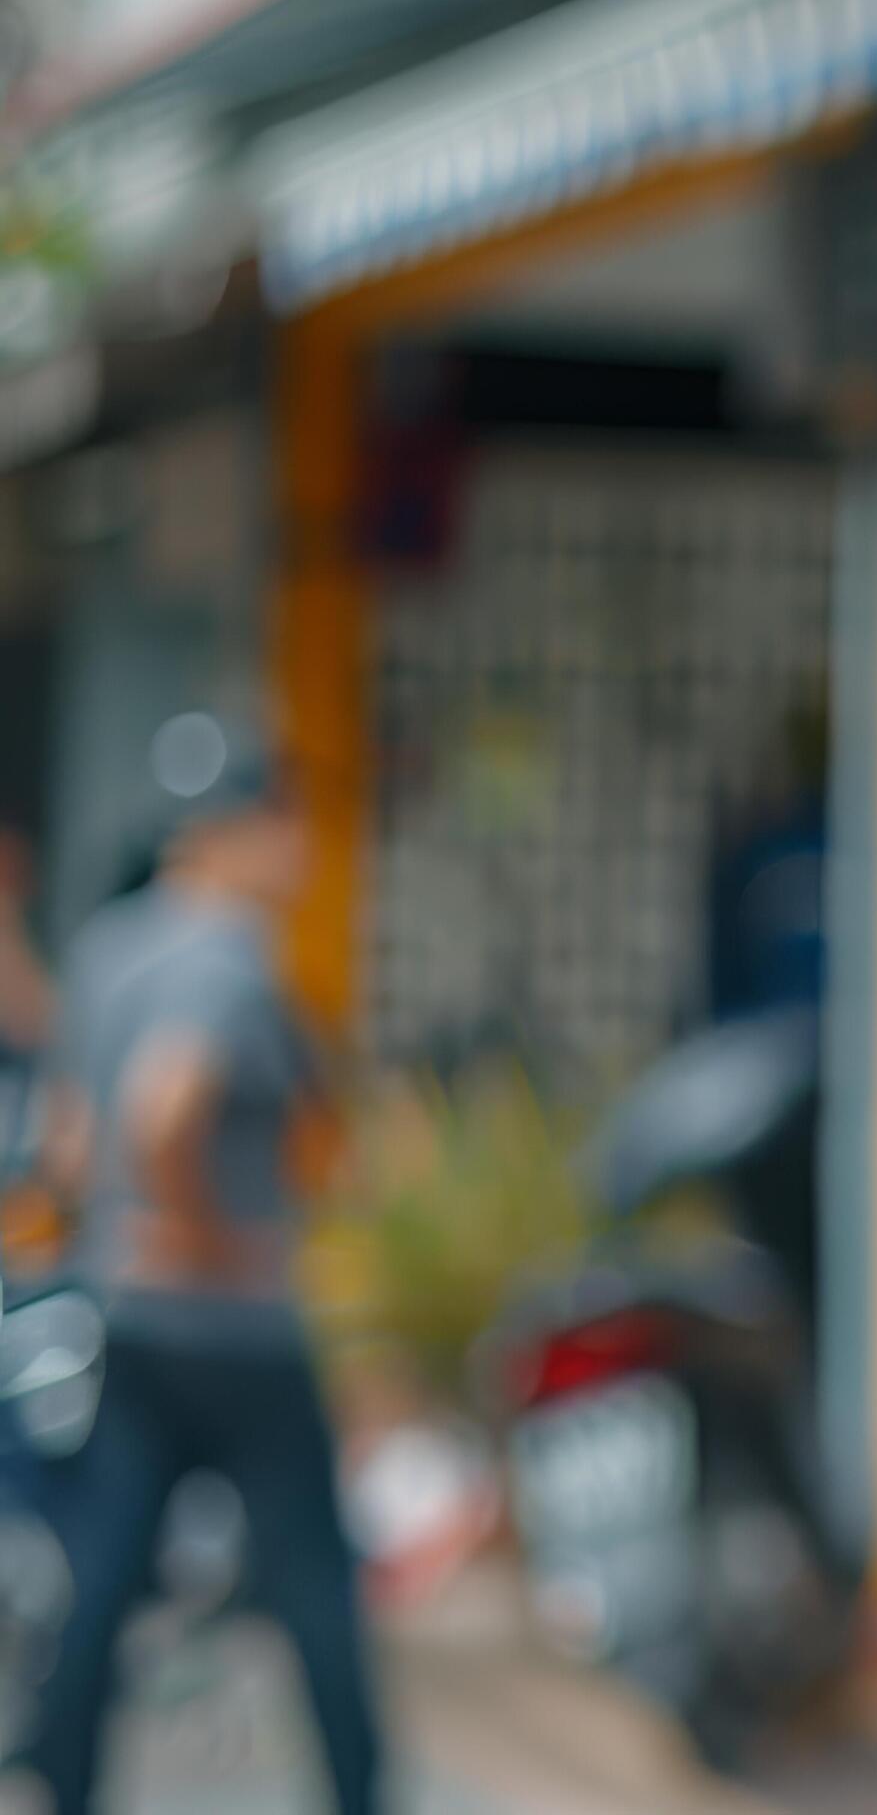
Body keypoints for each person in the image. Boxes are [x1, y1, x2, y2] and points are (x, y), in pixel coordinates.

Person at [14, 739, 380, 1815]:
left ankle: (62, 1780)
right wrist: (209, 1235)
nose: (305, 849)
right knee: (314, 1587)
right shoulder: (229, 954)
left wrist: (120, 1232)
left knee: (106, 1577)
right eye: (294, 821)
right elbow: (163, 1106)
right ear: (243, 832)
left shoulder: (107, 944)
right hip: (237, 1333)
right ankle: (361, 1794)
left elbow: (70, 1145)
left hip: (131, 1321)